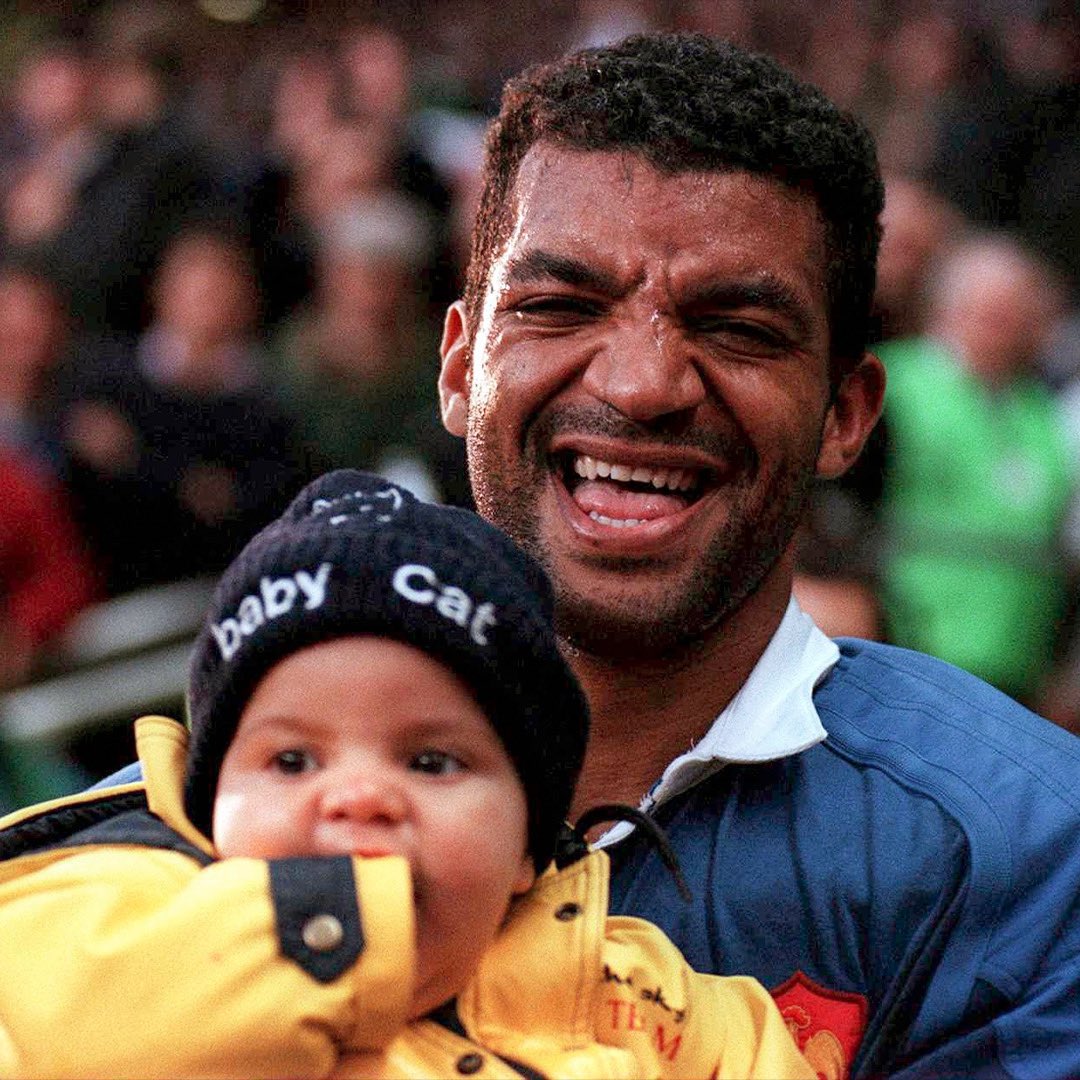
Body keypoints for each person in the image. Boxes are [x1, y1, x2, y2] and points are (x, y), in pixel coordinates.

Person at [434, 32, 1080, 1078]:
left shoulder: (1032, 858)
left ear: (846, 414)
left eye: (736, 327)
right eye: (561, 306)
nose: (643, 384)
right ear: (462, 364)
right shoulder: (226, 818)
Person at [0, 469, 813, 1079]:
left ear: (530, 842)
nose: (360, 797)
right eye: (292, 760)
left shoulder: (648, 1001)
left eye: (431, 761)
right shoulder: (101, 926)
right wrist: (332, 933)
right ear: (209, 804)